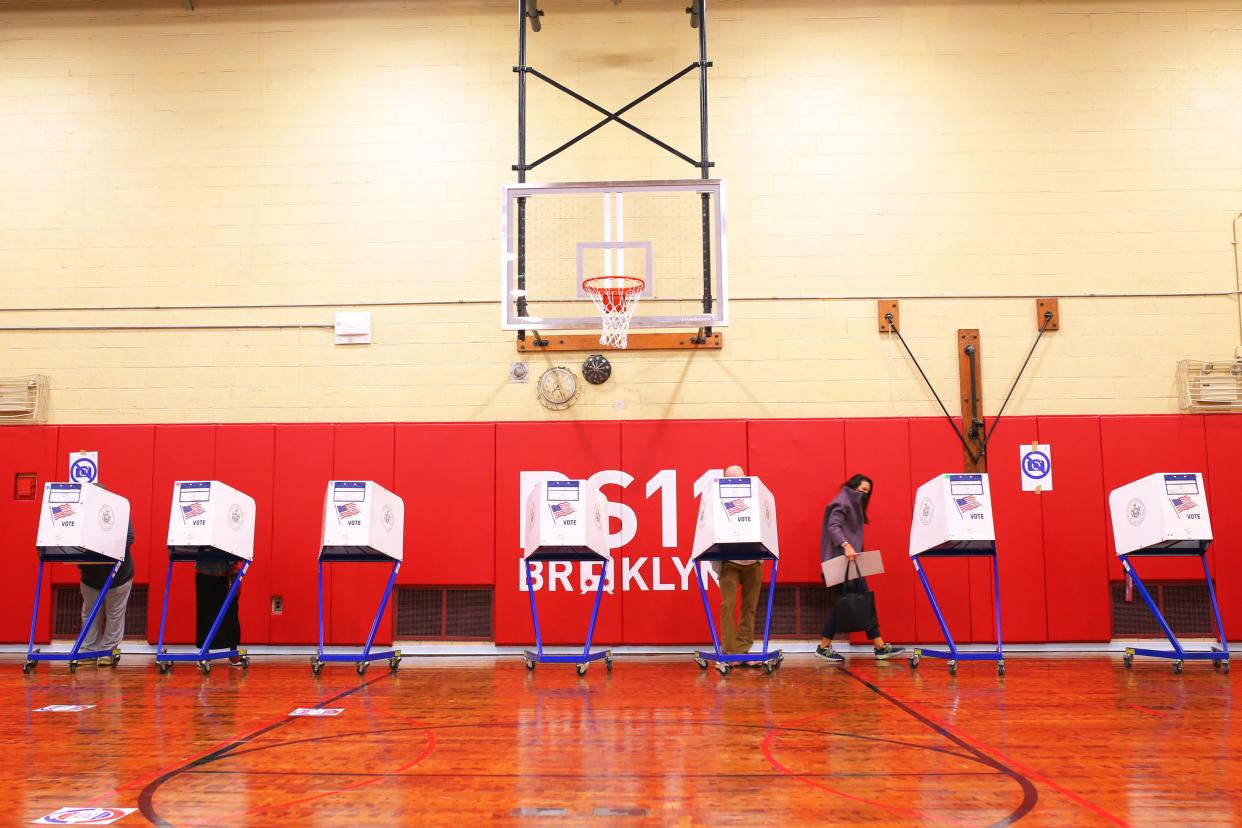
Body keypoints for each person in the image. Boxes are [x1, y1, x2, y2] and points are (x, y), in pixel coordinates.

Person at [817, 473, 904, 663]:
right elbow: (833, 526)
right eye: (863, 490)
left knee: (857, 600)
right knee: (857, 600)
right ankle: (878, 646)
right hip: (841, 562)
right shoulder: (842, 501)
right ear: (853, 486)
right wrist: (846, 545)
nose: (864, 495)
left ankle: (877, 645)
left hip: (849, 562)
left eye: (867, 492)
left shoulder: (849, 501)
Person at [716, 463, 764, 667]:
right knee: (728, 605)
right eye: (730, 479)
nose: (736, 482)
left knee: (749, 607)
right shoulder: (718, 502)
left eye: (739, 478)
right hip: (729, 561)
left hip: (753, 560)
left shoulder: (757, 499)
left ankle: (743, 650)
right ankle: (729, 652)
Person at [78, 516, 135, 667]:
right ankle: (96, 652)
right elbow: (129, 537)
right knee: (100, 614)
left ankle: (101, 652)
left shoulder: (83, 511)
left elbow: (129, 537)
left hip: (118, 575)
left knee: (110, 614)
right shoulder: (118, 506)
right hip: (92, 576)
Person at [196, 556, 244, 666]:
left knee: (231, 614)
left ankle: (233, 654)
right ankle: (205, 654)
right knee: (205, 615)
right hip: (206, 573)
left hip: (227, 574)